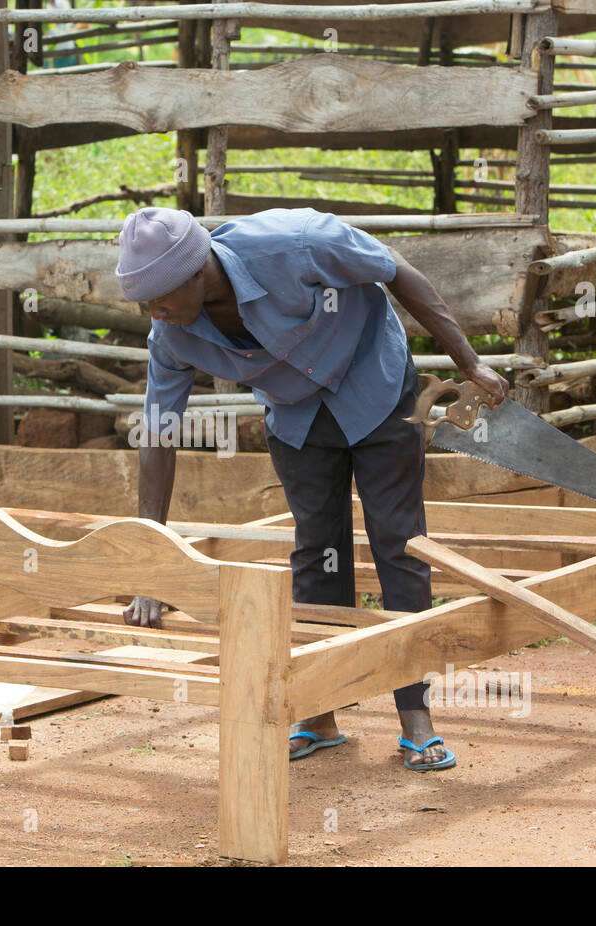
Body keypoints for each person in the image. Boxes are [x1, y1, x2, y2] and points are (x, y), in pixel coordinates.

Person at [115, 206, 508, 768]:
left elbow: (398, 271)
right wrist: (150, 565)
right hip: (297, 417)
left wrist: (468, 363)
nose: (152, 312)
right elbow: (157, 432)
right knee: (318, 553)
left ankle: (415, 715)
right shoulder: (171, 334)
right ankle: (320, 710)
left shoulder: (294, 243)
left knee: (399, 542)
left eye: (161, 297)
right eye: (142, 301)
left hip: (375, 390)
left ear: (199, 270)